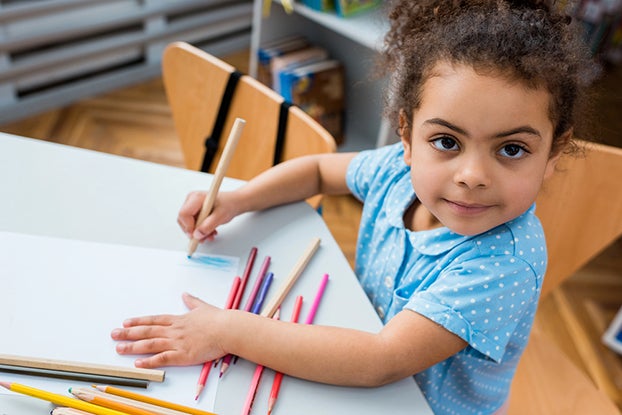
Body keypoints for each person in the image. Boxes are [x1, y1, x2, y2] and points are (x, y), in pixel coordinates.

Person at [111, 1, 593, 413]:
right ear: (407, 137)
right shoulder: (396, 171)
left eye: (511, 149)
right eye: (446, 141)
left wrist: (227, 329)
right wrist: (239, 199)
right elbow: (319, 171)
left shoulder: (504, 262)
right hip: (359, 360)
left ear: (552, 153)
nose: (471, 175)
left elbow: (380, 361)